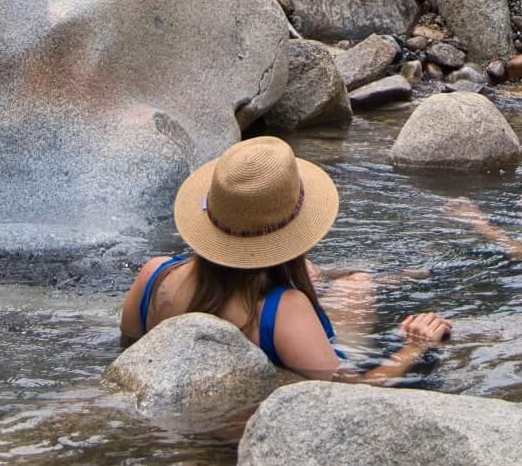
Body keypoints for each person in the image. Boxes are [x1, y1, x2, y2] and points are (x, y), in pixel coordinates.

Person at [121, 136, 452, 381]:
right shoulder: (285, 309)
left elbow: (131, 361)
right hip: (284, 374)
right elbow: (351, 396)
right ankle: (375, 279)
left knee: (348, 279)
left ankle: (366, 276)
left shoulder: (154, 275)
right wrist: (414, 347)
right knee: (359, 286)